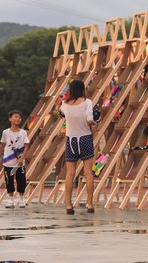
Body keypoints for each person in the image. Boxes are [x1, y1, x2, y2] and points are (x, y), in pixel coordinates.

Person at [59, 80, 96, 215]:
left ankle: (69, 205)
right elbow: (89, 120)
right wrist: (95, 122)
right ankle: (90, 204)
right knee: (88, 173)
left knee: (70, 173)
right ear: (82, 89)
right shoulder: (87, 102)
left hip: (71, 140)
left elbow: (60, 112)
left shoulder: (65, 104)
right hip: (85, 138)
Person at [0, 110, 30, 208]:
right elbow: (2, 145)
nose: (17, 119)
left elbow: (27, 145)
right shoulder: (5, 132)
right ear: (10, 119)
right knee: (9, 181)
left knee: (21, 180)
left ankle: (22, 199)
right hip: (8, 162)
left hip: (19, 162)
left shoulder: (23, 133)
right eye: (15, 117)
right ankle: (11, 200)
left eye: (19, 117)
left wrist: (22, 158)